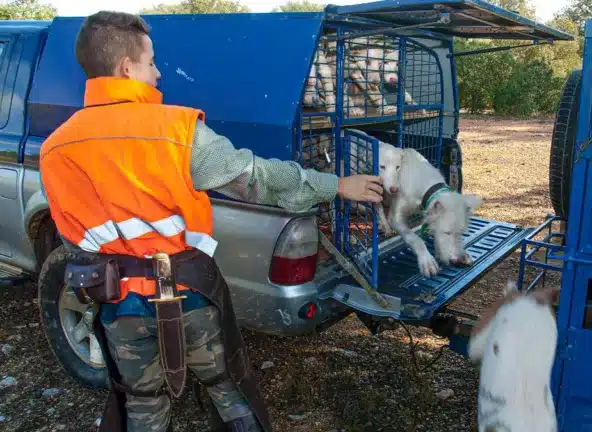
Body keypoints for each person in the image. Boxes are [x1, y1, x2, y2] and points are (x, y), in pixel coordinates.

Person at [39, 10, 383, 432]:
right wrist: (335, 185)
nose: (159, 72)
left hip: (118, 305)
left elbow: (73, 244)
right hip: (190, 295)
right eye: (150, 62)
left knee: (143, 404)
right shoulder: (177, 131)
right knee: (228, 388)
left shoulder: (56, 148)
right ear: (126, 68)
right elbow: (255, 179)